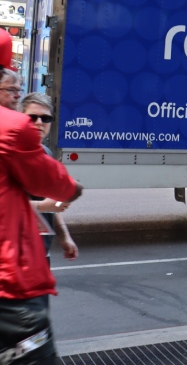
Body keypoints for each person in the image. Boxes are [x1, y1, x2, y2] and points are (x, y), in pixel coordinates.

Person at [0, 29, 83, 364]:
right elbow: (60, 186)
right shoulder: (12, 128)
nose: (36, 122)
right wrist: (72, 190)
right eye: (10, 84)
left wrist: (62, 234)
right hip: (11, 285)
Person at [22, 92, 78, 262]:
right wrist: (42, 206)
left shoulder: (47, 154)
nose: (39, 123)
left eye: (45, 119)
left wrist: (65, 236)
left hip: (41, 253)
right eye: (32, 117)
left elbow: (52, 202)